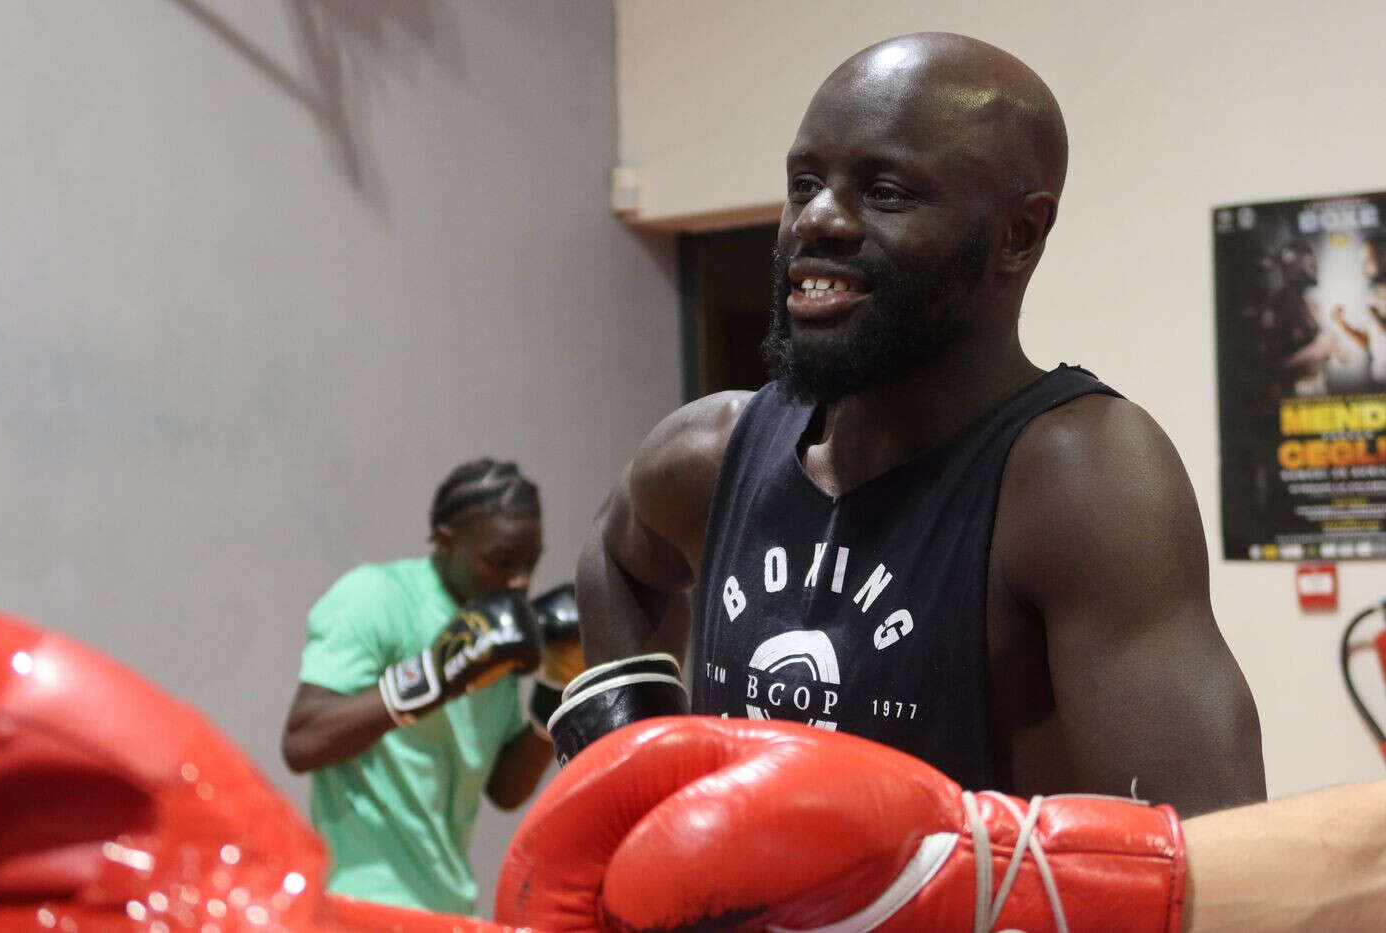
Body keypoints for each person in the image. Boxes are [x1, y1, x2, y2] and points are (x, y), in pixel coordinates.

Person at [553, 32, 1266, 818]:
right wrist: (635, 760)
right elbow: (612, 554)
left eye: (886, 191)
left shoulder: (1077, 480)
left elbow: (1212, 851)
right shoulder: (711, 453)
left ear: (1019, 234)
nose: (816, 220)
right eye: (804, 184)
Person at [497, 716, 1386, 933]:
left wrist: (978, 870)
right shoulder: (712, 453)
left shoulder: (1086, 467)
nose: (820, 228)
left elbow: (1212, 791)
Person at [281, 458, 580, 915]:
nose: (520, 581)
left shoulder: (495, 625)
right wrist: (434, 678)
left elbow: (503, 788)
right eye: (501, 562)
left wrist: (557, 684)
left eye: (531, 562)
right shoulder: (375, 598)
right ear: (446, 542)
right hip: (360, 904)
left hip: (450, 909)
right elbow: (302, 741)